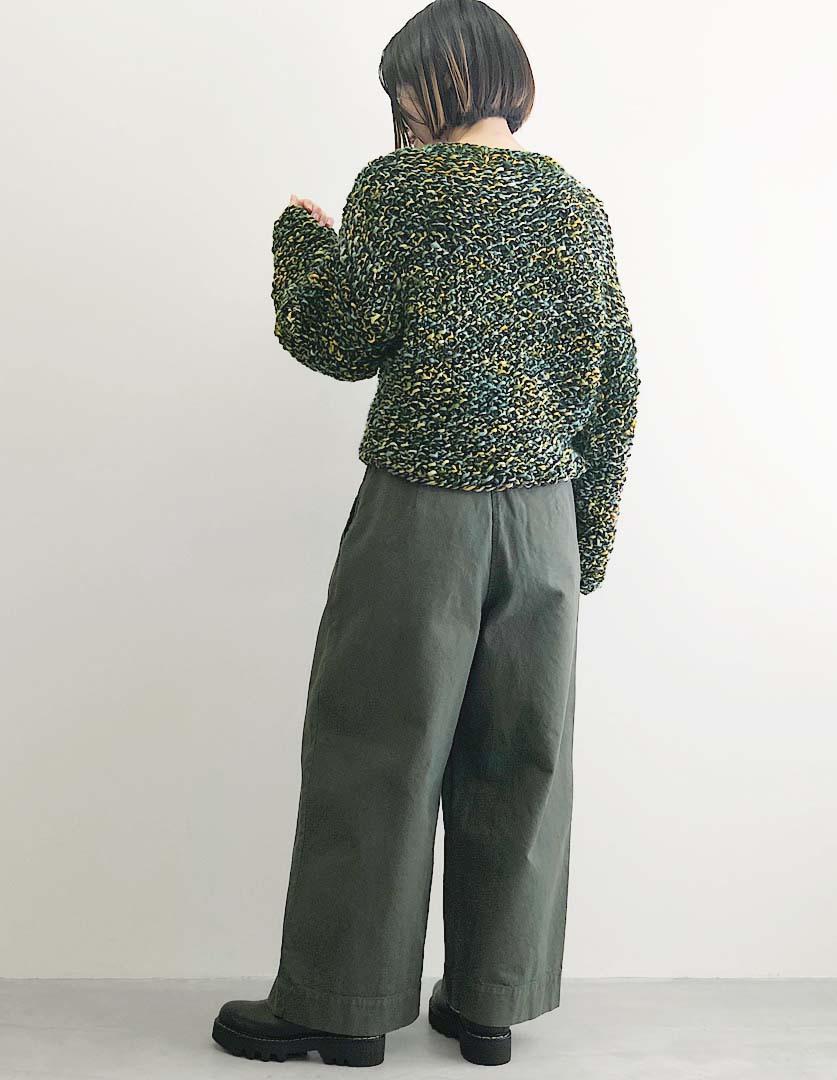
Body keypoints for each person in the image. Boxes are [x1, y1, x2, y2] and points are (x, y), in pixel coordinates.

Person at [211, 0, 640, 1068]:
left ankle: (344, 1010)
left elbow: (339, 338)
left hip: (420, 513)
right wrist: (584, 542)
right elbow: (618, 382)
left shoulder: (397, 191)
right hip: (541, 517)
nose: (397, 109)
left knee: (376, 745)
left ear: (433, 81)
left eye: (401, 88)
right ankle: (488, 1006)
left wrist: (300, 242)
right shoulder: (575, 205)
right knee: (520, 756)